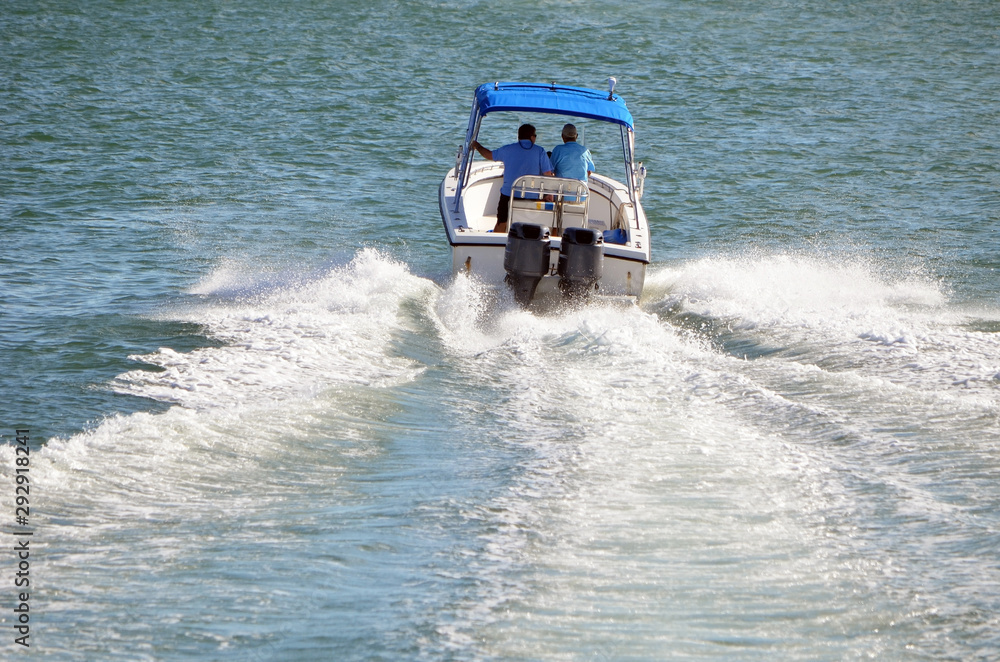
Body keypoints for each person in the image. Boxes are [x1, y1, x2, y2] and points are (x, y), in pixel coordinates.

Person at [470, 124, 553, 233]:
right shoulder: (540, 151)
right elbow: (547, 174)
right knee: (532, 223)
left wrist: (477, 146)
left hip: (509, 195)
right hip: (531, 196)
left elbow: (489, 155)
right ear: (532, 137)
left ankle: (497, 238)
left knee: (501, 222)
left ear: (519, 136)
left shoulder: (507, 149)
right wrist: (548, 194)